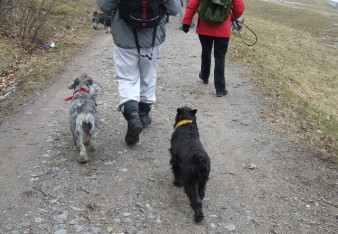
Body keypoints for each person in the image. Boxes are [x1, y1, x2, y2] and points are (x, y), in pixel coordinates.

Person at [96, 0, 181, 145]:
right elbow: (174, 9)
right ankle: (143, 114)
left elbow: (104, 5)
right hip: (152, 37)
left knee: (126, 78)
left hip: (124, 38)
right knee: (148, 75)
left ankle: (133, 116)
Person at [181, 0, 245, 97]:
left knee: (205, 51)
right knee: (220, 58)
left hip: (204, 27)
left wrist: (186, 21)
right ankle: (220, 88)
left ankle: (204, 75)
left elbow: (193, 3)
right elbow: (240, 7)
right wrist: (229, 17)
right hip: (223, 29)